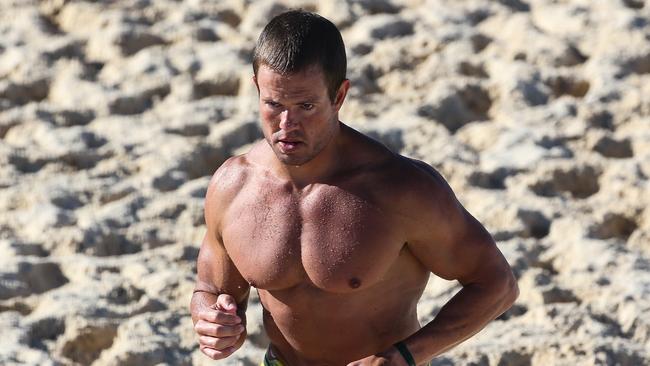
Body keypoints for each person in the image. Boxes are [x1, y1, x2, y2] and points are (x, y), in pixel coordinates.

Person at [190, 10, 519, 366]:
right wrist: (212, 319)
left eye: (305, 106)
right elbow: (212, 290)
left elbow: (496, 285)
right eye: (274, 104)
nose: (287, 125)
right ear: (256, 88)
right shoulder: (233, 187)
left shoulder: (398, 189)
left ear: (339, 96)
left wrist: (403, 357)